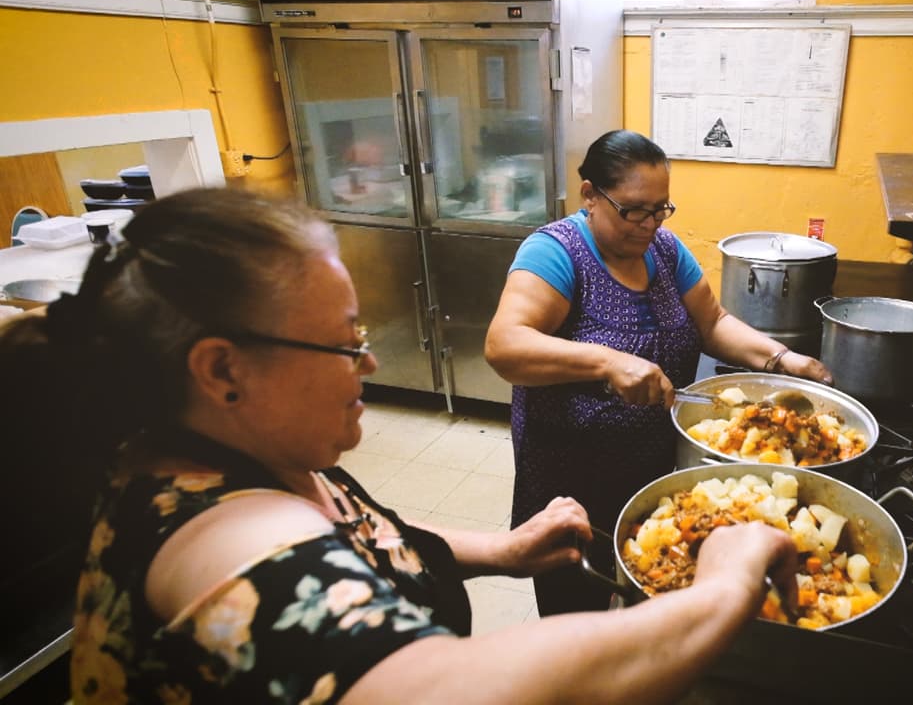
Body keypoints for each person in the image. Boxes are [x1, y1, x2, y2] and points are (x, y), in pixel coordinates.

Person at [0, 188, 796, 704]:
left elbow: (353, 537)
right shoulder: (212, 534)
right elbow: (429, 691)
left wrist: (500, 550)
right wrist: (720, 589)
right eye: (344, 343)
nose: (370, 363)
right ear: (222, 369)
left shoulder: (260, 453)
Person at [485, 130, 832, 617]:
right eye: (634, 209)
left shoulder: (664, 250)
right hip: (571, 476)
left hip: (649, 469)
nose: (649, 223)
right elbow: (505, 345)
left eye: (661, 208)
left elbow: (712, 321)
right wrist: (608, 361)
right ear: (590, 194)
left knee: (641, 585)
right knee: (576, 609)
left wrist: (783, 360)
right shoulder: (557, 254)